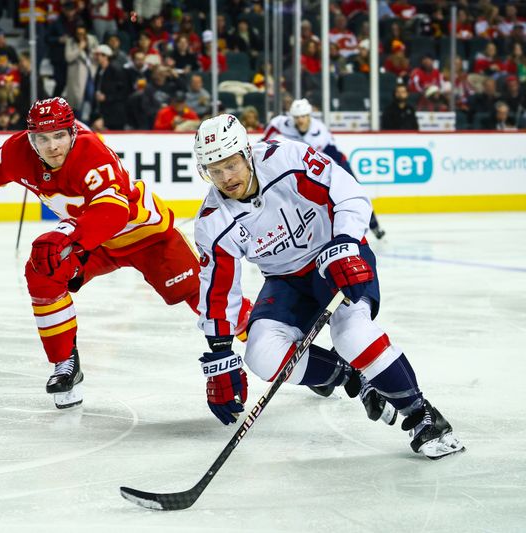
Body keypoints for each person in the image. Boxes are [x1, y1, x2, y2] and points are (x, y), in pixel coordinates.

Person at [0, 97, 251, 409]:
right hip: (94, 243)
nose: (52, 146)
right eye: (42, 139)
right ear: (30, 138)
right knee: (42, 271)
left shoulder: (92, 153)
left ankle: (272, 338)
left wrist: (66, 234)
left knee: (206, 299)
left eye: (59, 136)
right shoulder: (16, 152)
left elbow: (112, 212)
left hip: (147, 238)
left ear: (73, 132)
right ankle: (65, 362)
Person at [191, 114, 465, 460]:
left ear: (247, 152)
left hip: (334, 259)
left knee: (352, 334)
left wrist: (346, 243)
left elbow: (348, 193)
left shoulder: (288, 160)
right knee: (262, 355)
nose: (225, 178)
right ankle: (350, 374)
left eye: (231, 164)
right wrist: (219, 354)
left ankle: (422, 415)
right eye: (214, 170)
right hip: (285, 280)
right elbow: (218, 290)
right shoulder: (213, 222)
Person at [263, 98, 386, 240]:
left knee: (354, 193)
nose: (300, 120)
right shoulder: (284, 123)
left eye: (303, 116)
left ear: (309, 116)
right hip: (311, 163)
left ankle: (374, 226)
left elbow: (319, 159)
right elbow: (273, 126)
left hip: (335, 162)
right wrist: (263, 143)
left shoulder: (318, 132)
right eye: (297, 117)